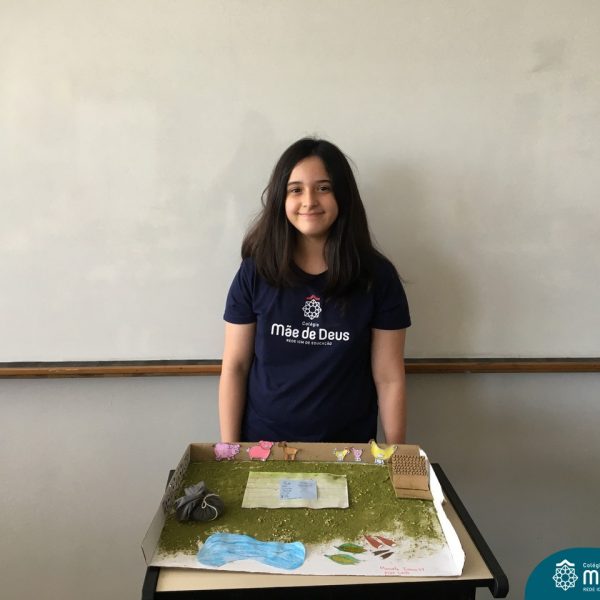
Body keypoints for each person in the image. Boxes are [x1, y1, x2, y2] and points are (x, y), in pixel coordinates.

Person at [219, 138, 410, 444]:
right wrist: (230, 452)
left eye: (323, 188)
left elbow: (388, 378)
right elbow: (235, 368)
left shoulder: (377, 277)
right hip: (263, 446)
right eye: (296, 190)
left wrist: (395, 455)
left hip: (348, 449)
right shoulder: (255, 273)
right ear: (281, 198)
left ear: (343, 195)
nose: (309, 201)